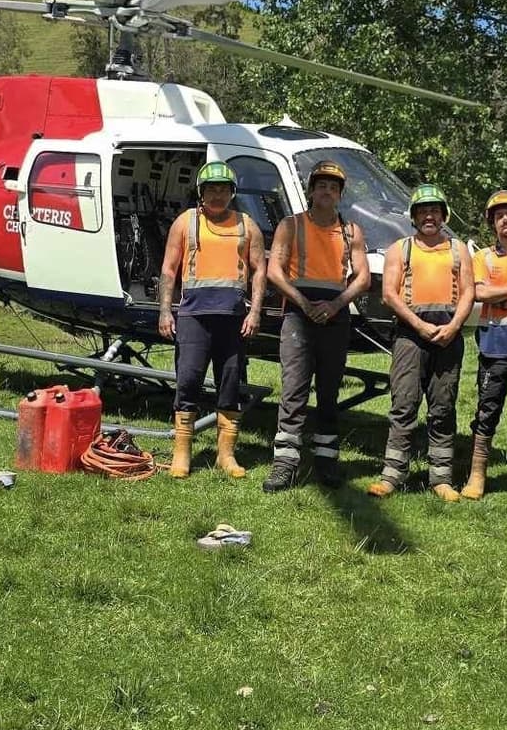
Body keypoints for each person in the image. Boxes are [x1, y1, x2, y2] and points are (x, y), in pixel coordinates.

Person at [263, 160, 371, 490]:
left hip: (336, 315)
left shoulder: (351, 231)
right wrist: (303, 303)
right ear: (311, 190)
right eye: (321, 185)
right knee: (294, 390)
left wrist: (336, 305)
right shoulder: (291, 225)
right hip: (298, 315)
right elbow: (274, 271)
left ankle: (326, 461)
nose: (327, 191)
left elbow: (363, 277)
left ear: (340, 195)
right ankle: (285, 464)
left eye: (333, 187)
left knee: (328, 390)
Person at [158, 161, 267, 479]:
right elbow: (168, 269)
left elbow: (260, 270)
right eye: (211, 189)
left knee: (230, 384)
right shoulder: (185, 222)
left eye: (223, 189)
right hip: (193, 317)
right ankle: (182, 454)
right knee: (188, 381)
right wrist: (165, 310)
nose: (217, 195)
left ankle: (226, 455)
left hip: (233, 319)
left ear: (232, 193)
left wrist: (255, 311)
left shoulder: (247, 225)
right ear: (200, 193)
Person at [372, 184, 475, 499]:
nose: (429, 216)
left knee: (443, 407)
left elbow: (469, 292)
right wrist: (419, 326)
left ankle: (441, 478)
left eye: (434, 211)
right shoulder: (399, 249)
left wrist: (453, 327)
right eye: (423, 211)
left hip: (448, 337)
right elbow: (389, 294)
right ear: (413, 217)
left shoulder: (459, 249)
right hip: (409, 337)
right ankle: (392, 476)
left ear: (444, 215)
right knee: (403, 405)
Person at [463, 189, 507, 501]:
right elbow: (479, 293)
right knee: (487, 409)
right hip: (494, 344)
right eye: (499, 216)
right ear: (492, 223)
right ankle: (477, 473)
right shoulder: (482, 257)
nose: (505, 220)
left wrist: (500, 291)